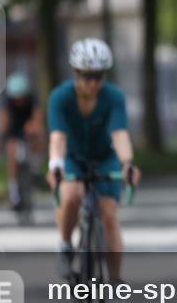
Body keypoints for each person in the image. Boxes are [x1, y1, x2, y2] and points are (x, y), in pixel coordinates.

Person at [46, 38, 141, 281]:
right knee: (69, 195)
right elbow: (57, 138)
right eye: (88, 76)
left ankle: (116, 281)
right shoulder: (60, 97)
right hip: (72, 157)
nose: (94, 83)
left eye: (99, 76)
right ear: (76, 74)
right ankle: (65, 245)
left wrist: (127, 163)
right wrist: (55, 165)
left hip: (104, 157)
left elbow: (119, 134)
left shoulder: (113, 96)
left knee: (109, 213)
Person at [0, 71, 43, 211]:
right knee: (12, 154)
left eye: (22, 98)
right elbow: (3, 121)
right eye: (16, 99)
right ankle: (15, 194)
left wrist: (34, 128)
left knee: (37, 138)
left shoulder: (33, 99)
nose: (20, 101)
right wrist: (1, 137)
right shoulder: (7, 102)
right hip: (14, 128)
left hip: (28, 126)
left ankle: (35, 170)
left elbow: (38, 118)